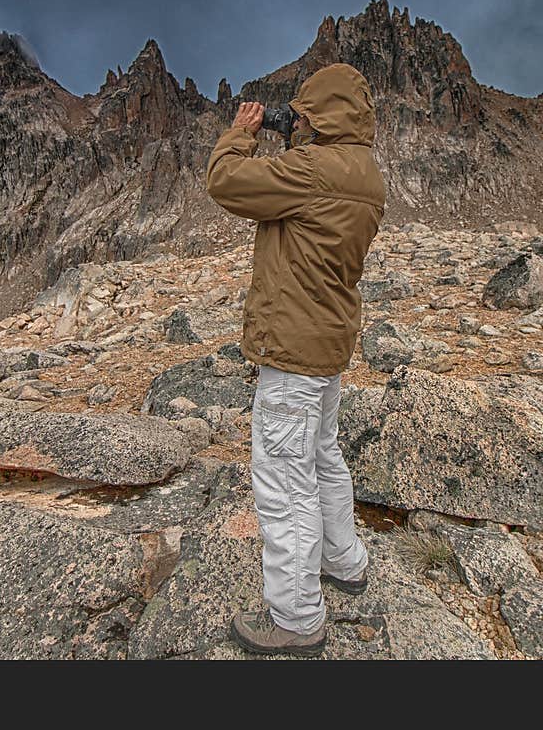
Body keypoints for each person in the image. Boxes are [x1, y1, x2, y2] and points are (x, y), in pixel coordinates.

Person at [205, 63, 386, 657]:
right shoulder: (365, 175)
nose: (299, 123)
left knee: (284, 480)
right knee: (324, 455)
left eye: (304, 114)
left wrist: (242, 132)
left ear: (323, 116)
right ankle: (346, 563)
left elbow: (226, 182)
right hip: (329, 344)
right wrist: (302, 135)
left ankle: (297, 617)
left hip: (292, 352)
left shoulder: (308, 171)